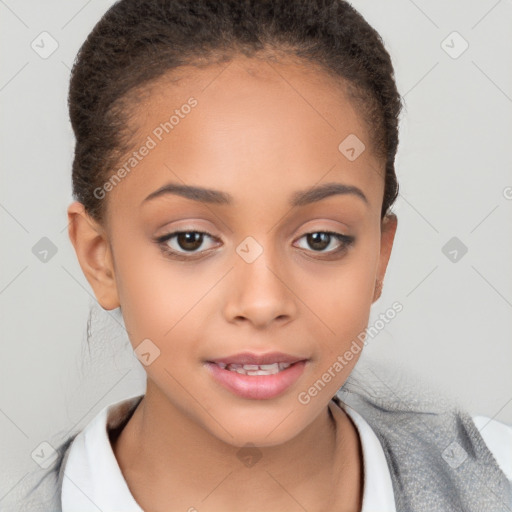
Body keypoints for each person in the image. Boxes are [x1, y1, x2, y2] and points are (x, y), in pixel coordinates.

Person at [8, 0, 512, 510]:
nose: (263, 301)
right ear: (101, 258)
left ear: (380, 257)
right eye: (190, 239)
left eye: (320, 239)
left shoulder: (494, 475)